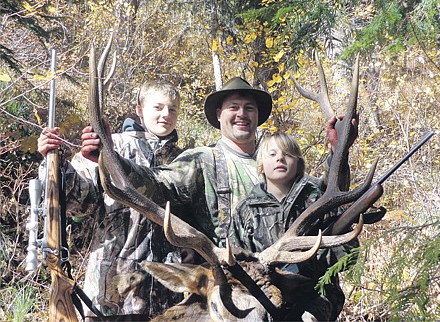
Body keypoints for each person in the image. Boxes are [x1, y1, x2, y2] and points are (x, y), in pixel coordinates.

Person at [80, 76, 357, 249]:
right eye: (233, 108)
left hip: (289, 286)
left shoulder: (280, 161)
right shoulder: (201, 161)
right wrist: (110, 158)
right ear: (219, 115)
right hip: (233, 291)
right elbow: (156, 184)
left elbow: (322, 203)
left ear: (258, 116)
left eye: (249, 108)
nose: (241, 114)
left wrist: (339, 154)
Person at [38, 80, 185, 321]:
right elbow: (78, 203)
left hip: (167, 296)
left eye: (173, 109)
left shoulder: (183, 160)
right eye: (158, 107)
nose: (165, 115)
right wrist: (54, 162)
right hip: (112, 292)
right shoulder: (111, 144)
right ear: (139, 110)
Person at [232, 132, 358, 321]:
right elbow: (235, 262)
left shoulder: (318, 200)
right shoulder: (246, 210)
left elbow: (349, 251)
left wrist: (310, 259)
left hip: (316, 294)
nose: (280, 158)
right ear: (261, 166)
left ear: (299, 164)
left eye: (288, 154)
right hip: (263, 296)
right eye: (272, 154)